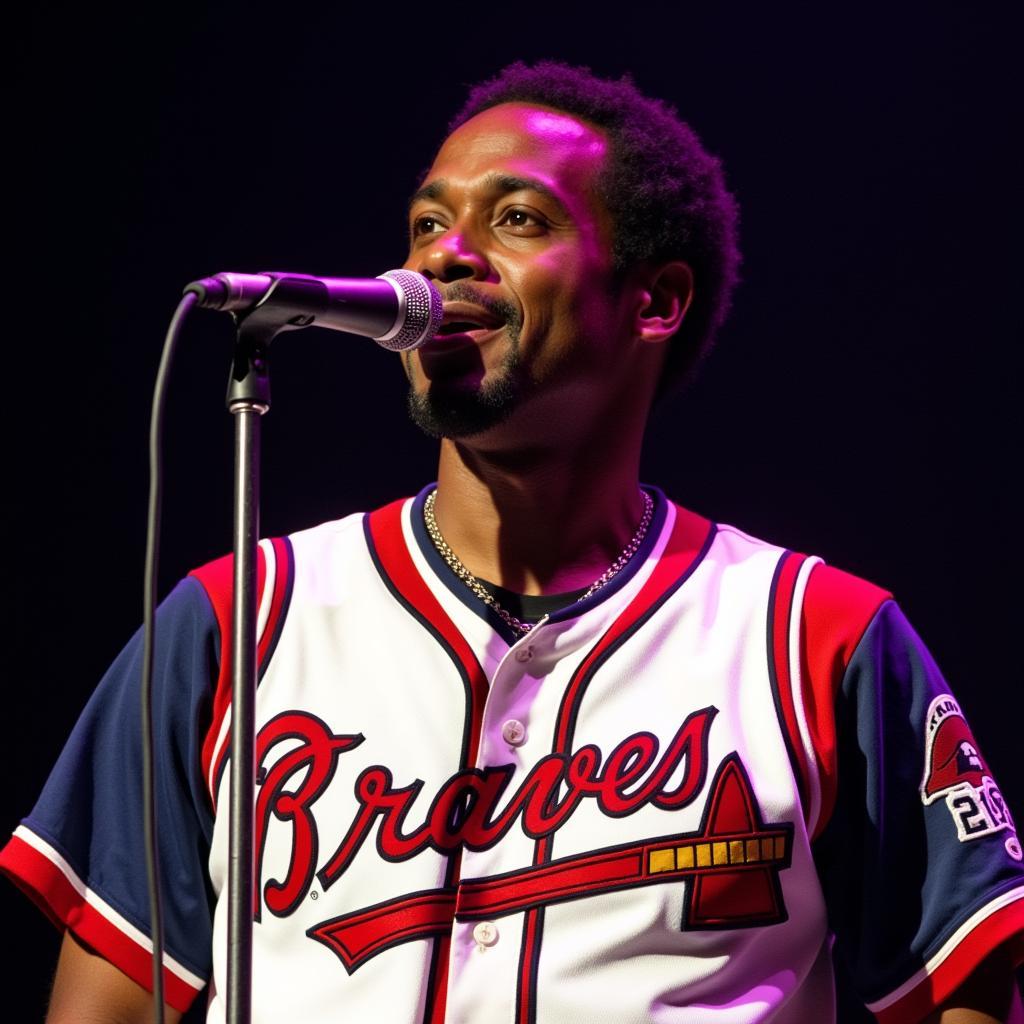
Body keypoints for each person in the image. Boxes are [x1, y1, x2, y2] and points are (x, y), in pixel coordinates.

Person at [3, 61, 1023, 1024]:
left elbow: (957, 994)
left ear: (655, 301)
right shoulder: (235, 622)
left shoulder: (820, 634)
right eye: (427, 223)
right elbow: (106, 1004)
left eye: (517, 219)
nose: (445, 254)